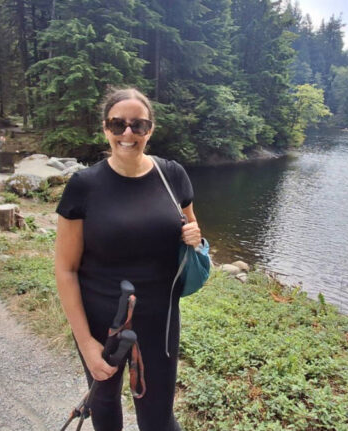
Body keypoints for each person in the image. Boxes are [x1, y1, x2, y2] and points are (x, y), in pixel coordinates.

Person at [54, 87, 202, 431]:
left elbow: (191, 226)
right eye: (117, 124)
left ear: (150, 129)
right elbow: (66, 268)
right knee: (104, 407)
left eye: (138, 125)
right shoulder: (84, 185)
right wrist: (86, 343)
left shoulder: (172, 175)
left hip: (160, 320)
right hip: (100, 320)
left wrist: (195, 234)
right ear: (105, 129)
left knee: (158, 416)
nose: (128, 133)